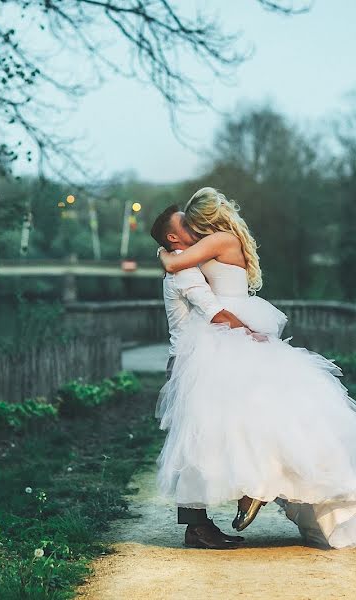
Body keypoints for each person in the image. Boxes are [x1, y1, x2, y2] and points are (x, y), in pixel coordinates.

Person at [154, 187, 356, 549]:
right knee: (245, 418)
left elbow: (205, 297)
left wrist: (246, 332)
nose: (191, 228)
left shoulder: (212, 243)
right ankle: (238, 498)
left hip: (222, 335)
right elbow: (194, 287)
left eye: (192, 221)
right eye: (184, 225)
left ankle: (252, 490)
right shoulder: (197, 256)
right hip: (216, 337)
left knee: (240, 419)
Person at [149, 204, 259, 550]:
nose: (195, 228)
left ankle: (200, 525)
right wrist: (252, 333)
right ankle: (196, 527)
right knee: (194, 441)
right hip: (187, 362)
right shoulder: (185, 273)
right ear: (172, 237)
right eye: (186, 225)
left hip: (193, 360)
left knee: (201, 436)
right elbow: (214, 313)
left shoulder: (184, 262)